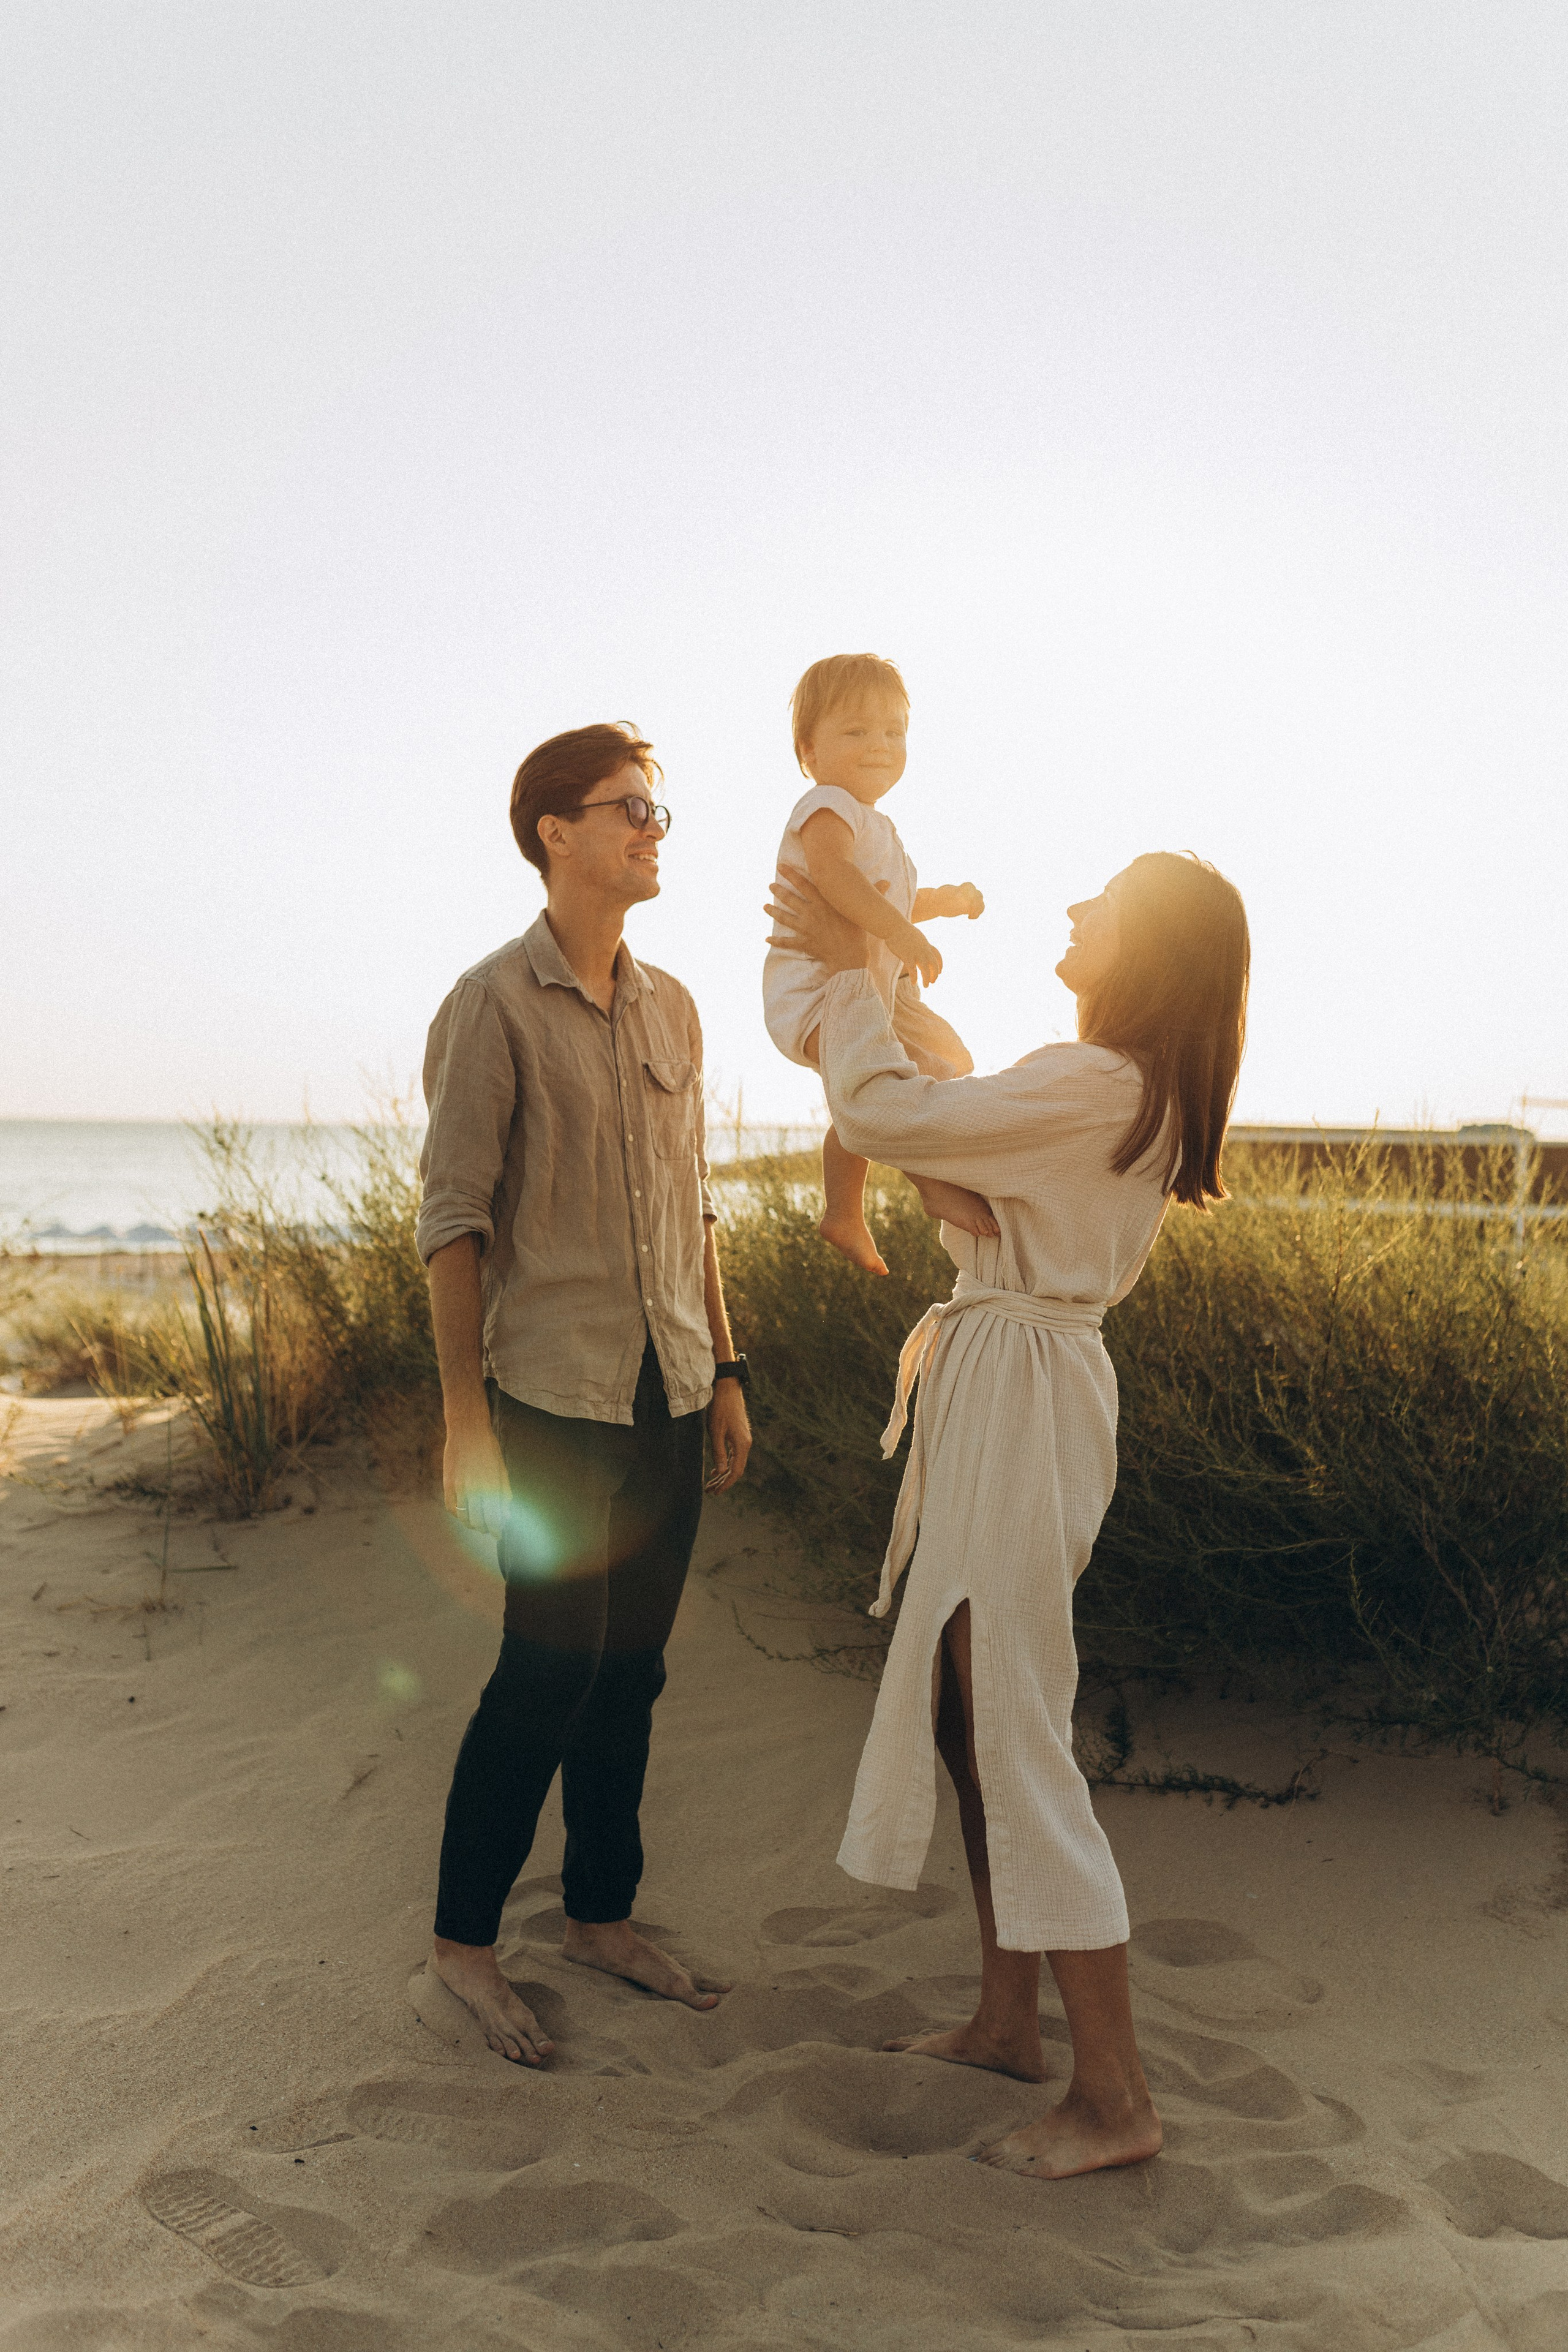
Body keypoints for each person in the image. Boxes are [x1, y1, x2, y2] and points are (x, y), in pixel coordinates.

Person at [764, 850, 1250, 2179]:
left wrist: (848, 982)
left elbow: (884, 1108)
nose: (1078, 910)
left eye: (1105, 903)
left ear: (1145, 949)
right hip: (1012, 1384)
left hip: (1025, 1399)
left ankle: (1115, 2098)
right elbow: (943, 1142)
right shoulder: (1105, 1088)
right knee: (968, 1715)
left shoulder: (1099, 1082)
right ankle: (1002, 2021)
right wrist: (880, 982)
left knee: (1014, 1728)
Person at [417, 721, 752, 2067]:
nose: (654, 829)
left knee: (634, 1674)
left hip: (670, 1389)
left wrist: (724, 1369)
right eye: (632, 809)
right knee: (542, 1674)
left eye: (661, 812)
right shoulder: (489, 1004)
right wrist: (462, 1423)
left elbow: (696, 1208)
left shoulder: (673, 1007)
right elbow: (453, 1223)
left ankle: (599, 1917)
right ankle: (462, 1945)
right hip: (550, 1401)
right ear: (555, 831)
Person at [761, 652, 996, 1276]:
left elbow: (884, 899)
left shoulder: (877, 824)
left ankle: (844, 1211)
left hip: (875, 992)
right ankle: (929, 1184)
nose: (880, 745)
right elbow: (838, 881)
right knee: (895, 1077)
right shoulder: (825, 807)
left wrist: (940, 904)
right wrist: (904, 935)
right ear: (807, 750)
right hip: (817, 992)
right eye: (857, 730)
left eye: (894, 731)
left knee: (948, 1065)